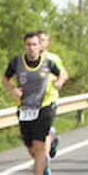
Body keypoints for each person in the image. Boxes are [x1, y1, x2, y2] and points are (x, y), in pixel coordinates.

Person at [4, 30, 67, 175]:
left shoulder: (48, 62)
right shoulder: (17, 62)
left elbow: (63, 73)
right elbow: (5, 79)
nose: (31, 48)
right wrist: (13, 90)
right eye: (28, 45)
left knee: (39, 146)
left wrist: (59, 82)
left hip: (45, 106)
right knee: (31, 148)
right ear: (24, 46)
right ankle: (47, 152)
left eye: (34, 45)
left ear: (40, 47)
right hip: (25, 108)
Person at [38, 30, 68, 159]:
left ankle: (43, 161)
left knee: (44, 128)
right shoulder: (28, 58)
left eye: (43, 40)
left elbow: (64, 73)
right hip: (34, 100)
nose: (40, 43)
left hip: (51, 98)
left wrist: (60, 81)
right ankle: (53, 137)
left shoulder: (53, 58)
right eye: (38, 40)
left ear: (47, 42)